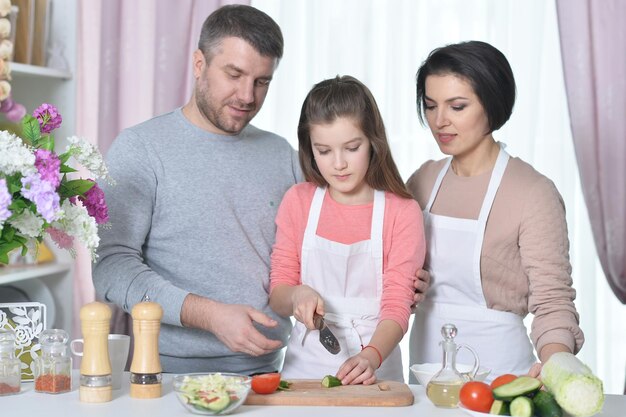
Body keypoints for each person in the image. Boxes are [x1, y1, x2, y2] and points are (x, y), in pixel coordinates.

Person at [93, 5, 430, 375]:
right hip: (169, 372)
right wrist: (208, 315)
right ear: (199, 63)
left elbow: (334, 229)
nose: (247, 96)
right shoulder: (141, 148)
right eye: (234, 74)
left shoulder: (280, 154)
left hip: (271, 374)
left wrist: (406, 278)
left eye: (262, 81)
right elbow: (111, 268)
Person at [407, 41, 584, 381]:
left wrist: (556, 364)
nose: (439, 121)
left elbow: (553, 303)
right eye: (430, 106)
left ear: (492, 103)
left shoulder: (532, 192)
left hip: (503, 375)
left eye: (457, 106)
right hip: (427, 375)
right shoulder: (422, 182)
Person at [269, 76, 426, 385]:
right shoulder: (298, 202)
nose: (338, 164)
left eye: (352, 148)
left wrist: (372, 355)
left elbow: (397, 304)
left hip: (375, 371)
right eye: (324, 151)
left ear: (372, 142)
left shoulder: (402, 211)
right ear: (309, 148)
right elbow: (278, 293)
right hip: (304, 371)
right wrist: (297, 294)